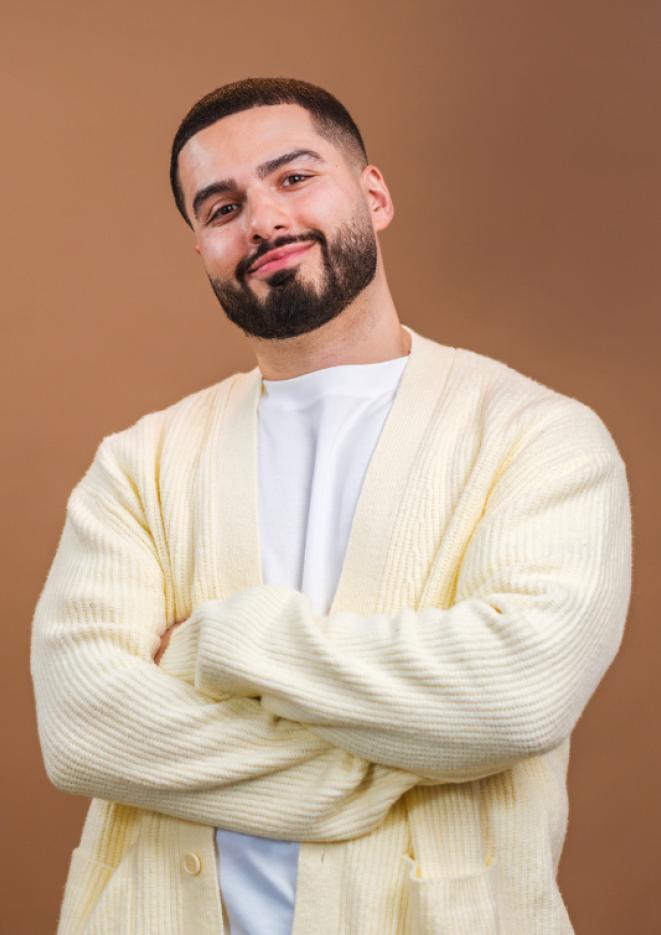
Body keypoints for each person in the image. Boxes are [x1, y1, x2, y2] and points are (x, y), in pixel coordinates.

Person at [31, 77, 633, 935]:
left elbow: (516, 696)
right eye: (220, 206)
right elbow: (85, 727)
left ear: (373, 194)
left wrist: (219, 643)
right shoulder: (139, 464)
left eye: (293, 177)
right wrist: (385, 765)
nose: (264, 222)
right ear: (200, 245)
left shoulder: (537, 437)